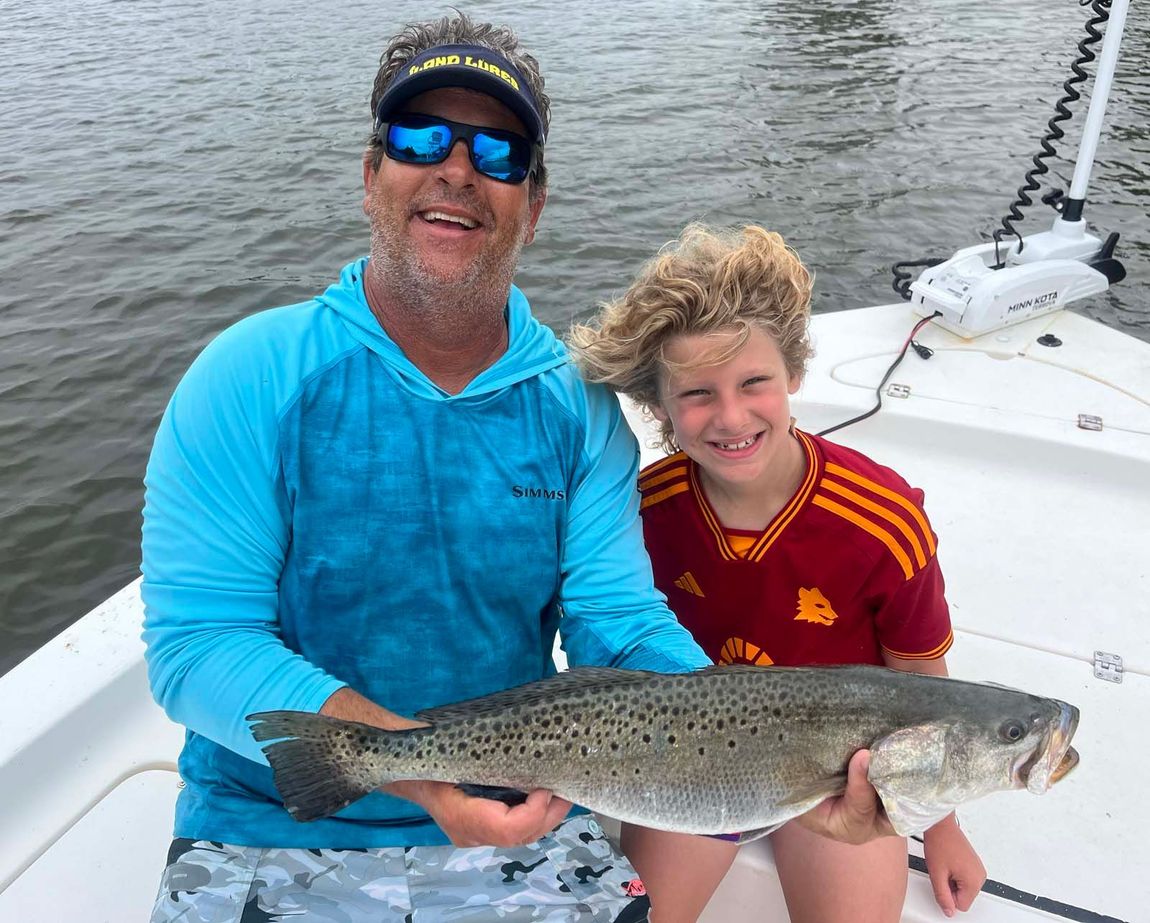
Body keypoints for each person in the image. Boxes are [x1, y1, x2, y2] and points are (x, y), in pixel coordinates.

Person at [141, 16, 893, 922]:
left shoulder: (577, 410)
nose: (457, 168)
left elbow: (618, 621)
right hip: (269, 814)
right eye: (421, 138)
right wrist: (420, 768)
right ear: (371, 177)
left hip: (523, 811)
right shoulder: (250, 375)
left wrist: (757, 754)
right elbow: (198, 647)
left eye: (498, 151)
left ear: (531, 207)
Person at [569, 224, 988, 923]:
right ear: (661, 407)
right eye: (697, 393)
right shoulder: (642, 510)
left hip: (847, 771)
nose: (730, 416)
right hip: (698, 759)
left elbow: (923, 685)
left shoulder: (883, 522)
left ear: (793, 372)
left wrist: (941, 822)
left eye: (754, 382)